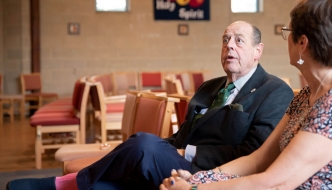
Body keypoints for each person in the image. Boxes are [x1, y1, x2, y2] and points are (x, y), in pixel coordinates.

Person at [6, 20, 294, 190]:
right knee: (135, 158)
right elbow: (183, 135)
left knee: (143, 145)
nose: (229, 46)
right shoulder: (210, 87)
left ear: (258, 51)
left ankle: (66, 184)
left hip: (215, 173)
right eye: (225, 40)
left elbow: (254, 152)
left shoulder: (274, 91)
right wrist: (167, 147)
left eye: (239, 41)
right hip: (178, 160)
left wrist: (184, 152)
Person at [160, 0, 332, 189]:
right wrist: (200, 178)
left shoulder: (329, 103)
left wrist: (193, 188)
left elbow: (275, 183)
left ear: (302, 43)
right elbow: (258, 159)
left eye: (288, 33)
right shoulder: (305, 96)